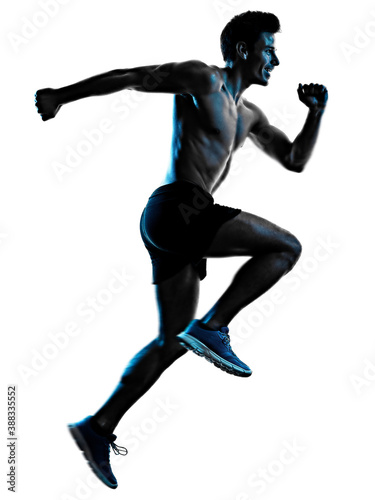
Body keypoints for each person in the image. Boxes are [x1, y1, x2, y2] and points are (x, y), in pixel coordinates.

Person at [35, 10, 328, 489]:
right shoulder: (204, 79)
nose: (276, 58)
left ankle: (98, 426)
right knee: (286, 248)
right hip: (179, 208)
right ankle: (214, 326)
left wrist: (315, 114)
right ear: (242, 50)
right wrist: (60, 97)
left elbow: (293, 159)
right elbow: (134, 78)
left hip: (177, 223)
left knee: (172, 341)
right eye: (269, 48)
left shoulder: (250, 116)